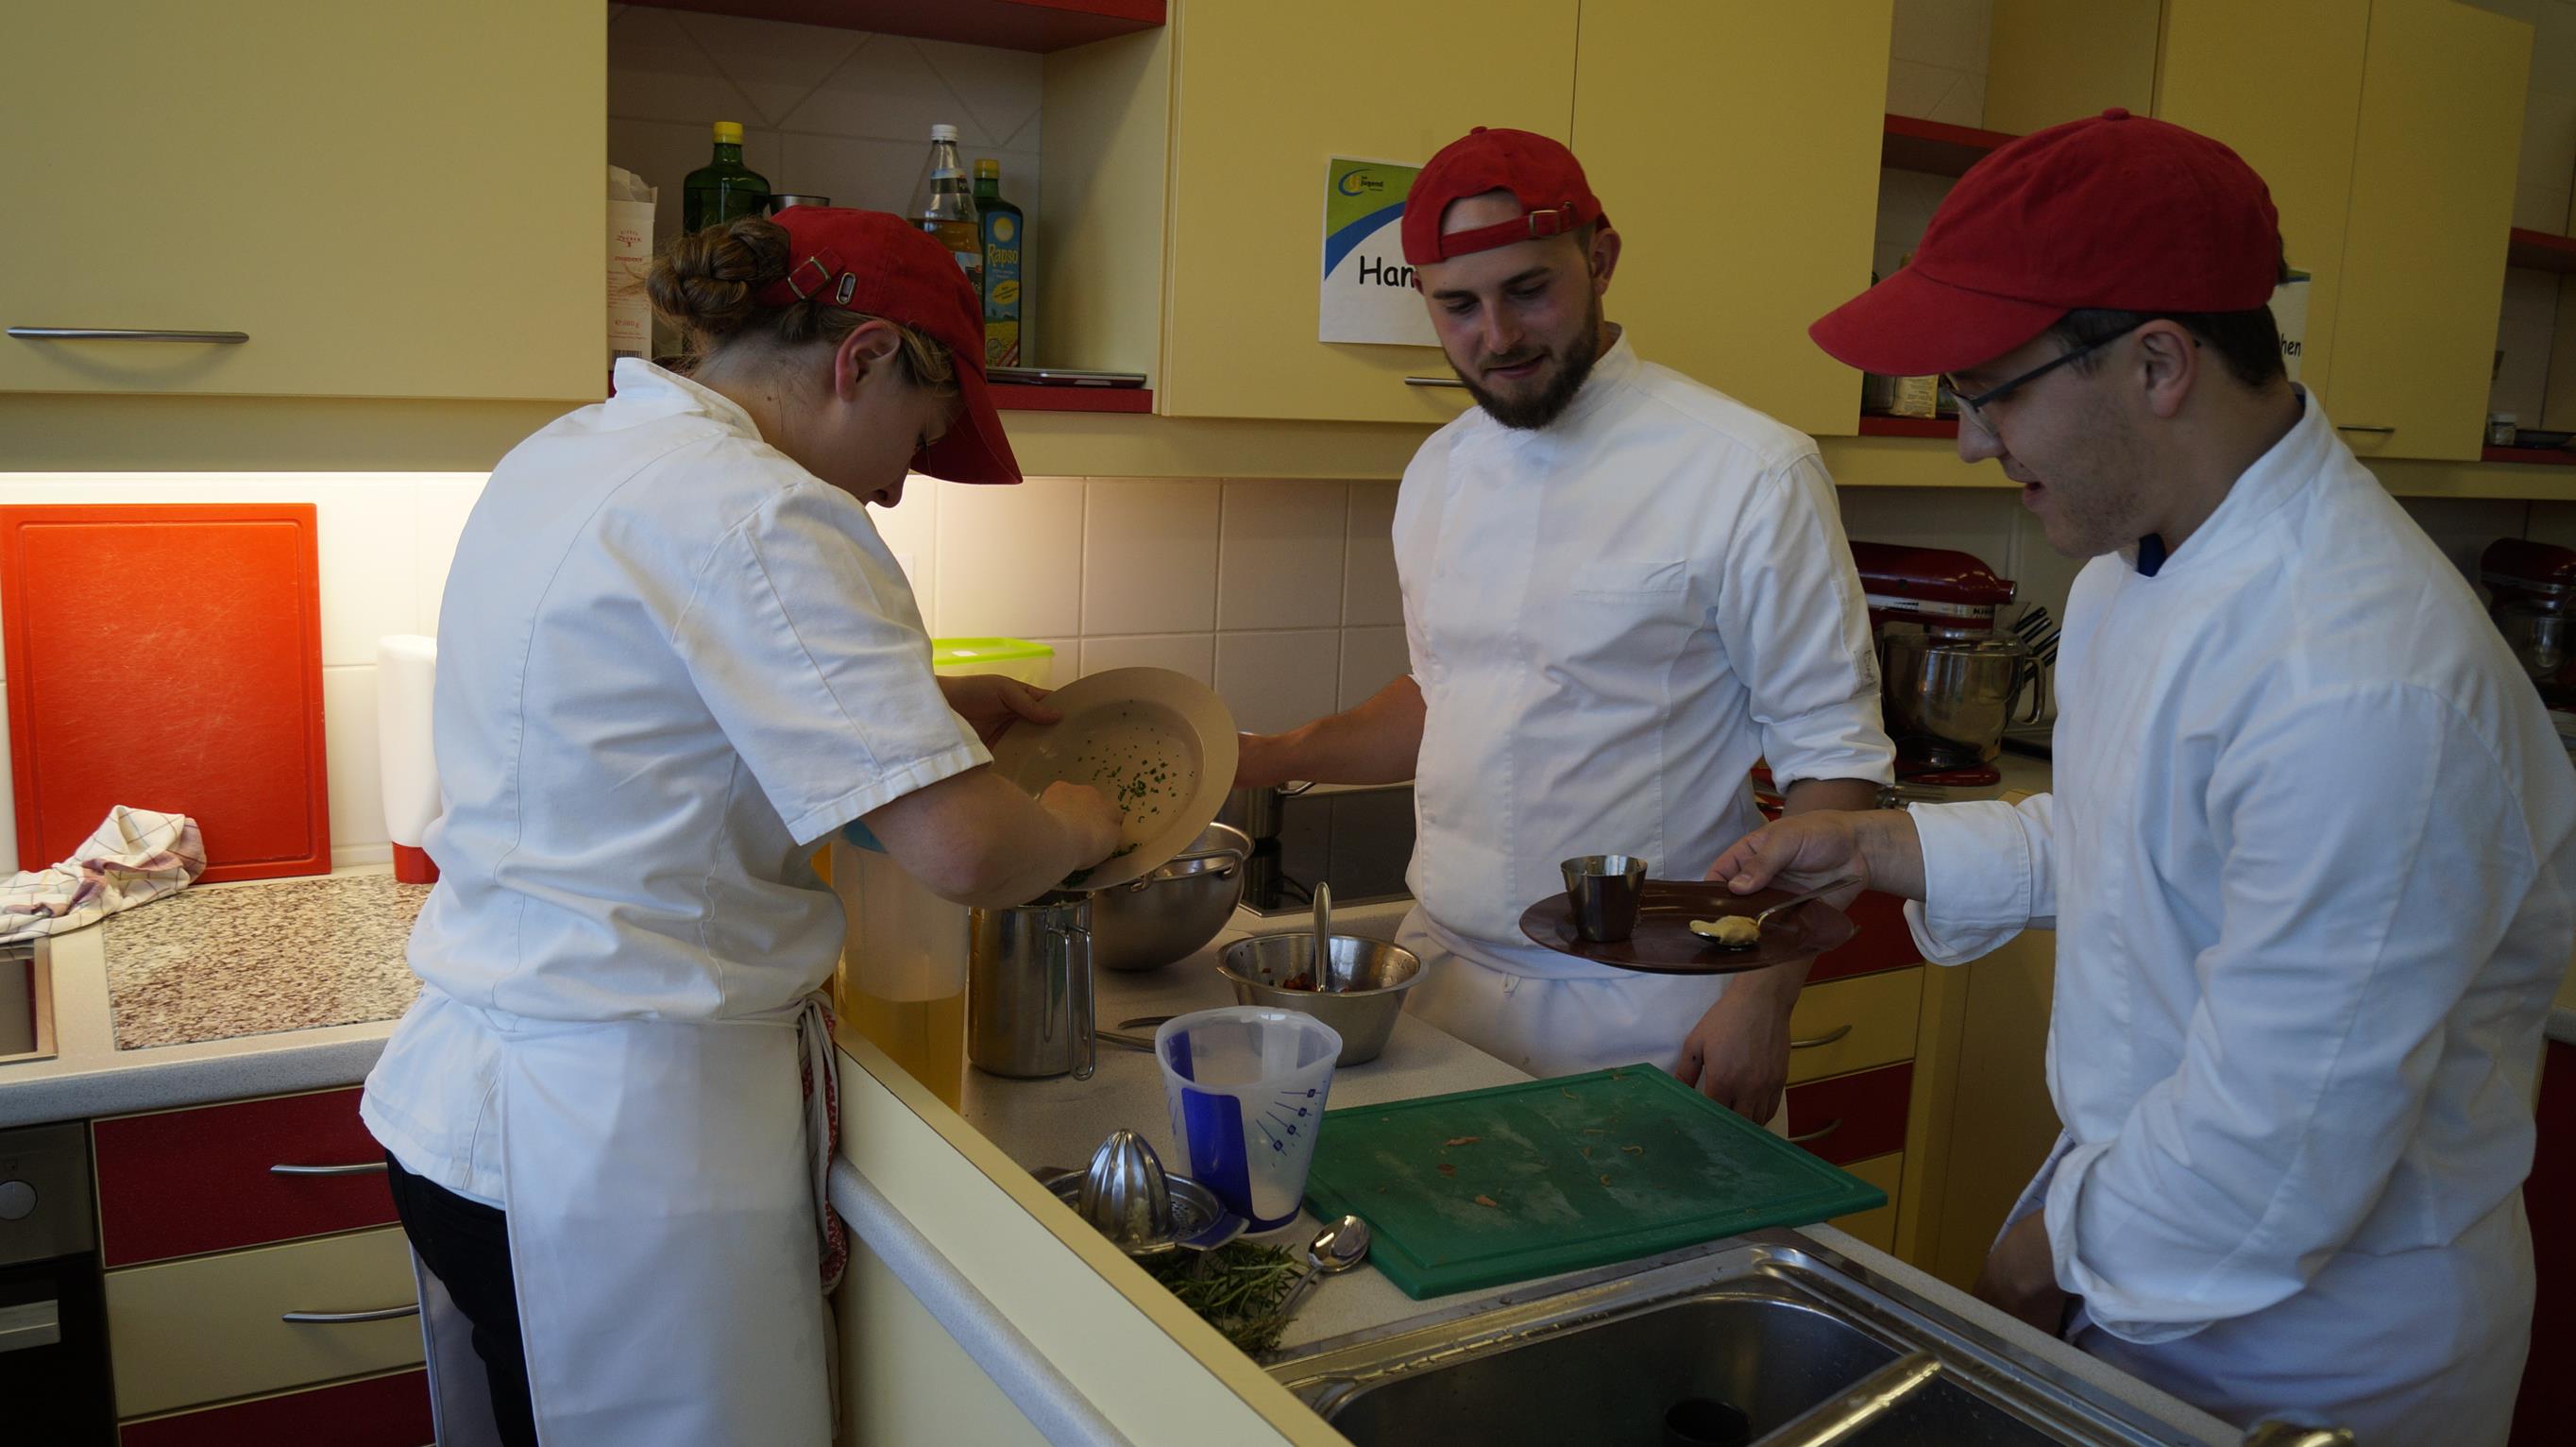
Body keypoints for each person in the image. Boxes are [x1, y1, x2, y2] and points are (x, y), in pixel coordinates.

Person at [1711, 110, 2575, 1443]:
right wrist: (1885, 850)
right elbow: (2130, 836)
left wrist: (2024, 1270)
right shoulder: (2136, 564)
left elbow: (2271, 1153)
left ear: (2159, 363)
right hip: (2140, 1266)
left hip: (2316, 1365)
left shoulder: (2363, 682)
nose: (1971, 442)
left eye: (1992, 391)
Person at [359, 208, 1122, 1446]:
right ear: (863, 357)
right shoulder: (769, 510)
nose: (897, 484)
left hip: (463, 1112)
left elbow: (655, 704)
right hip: (622, 1152)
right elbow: (972, 853)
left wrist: (915, 716)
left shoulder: (571, 451)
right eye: (918, 438)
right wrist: (1076, 827)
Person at [1235, 128, 1894, 1116]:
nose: (1497, 335)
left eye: (1528, 289)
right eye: (1458, 305)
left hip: (1654, 1009)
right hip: (1442, 996)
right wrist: (1253, 756)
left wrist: (1765, 997)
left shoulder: (1748, 472)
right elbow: (1448, 696)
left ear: (1601, 259)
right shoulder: (1438, 473)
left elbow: (1835, 765)